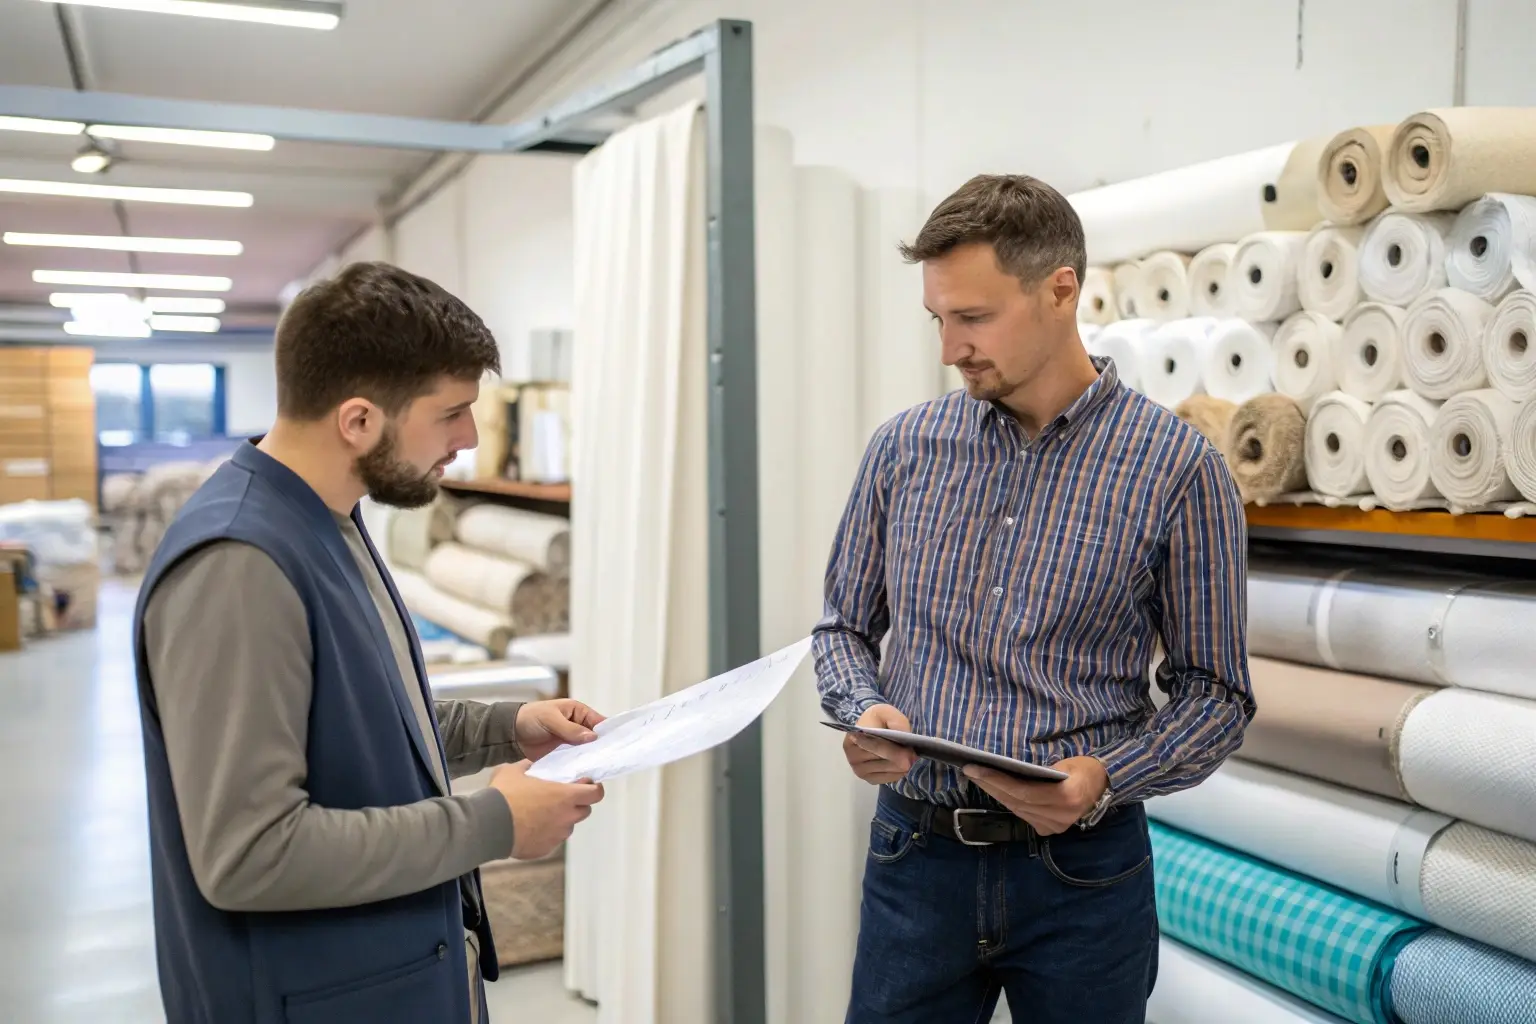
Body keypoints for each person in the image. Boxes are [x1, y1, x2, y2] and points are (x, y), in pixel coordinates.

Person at [814, 175, 1253, 1023]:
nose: (950, 348)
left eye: (973, 318)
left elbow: (1216, 697)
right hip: (916, 859)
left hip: (1084, 881)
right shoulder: (905, 449)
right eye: (938, 319)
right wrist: (862, 709)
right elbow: (842, 627)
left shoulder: (1178, 471)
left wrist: (1105, 777)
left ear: (1061, 290)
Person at [133, 261, 605, 1024]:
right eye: (451, 412)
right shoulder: (238, 565)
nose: (471, 437)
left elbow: (364, 727)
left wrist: (506, 728)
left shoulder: (332, 520)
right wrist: (495, 822)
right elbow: (250, 854)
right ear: (358, 421)